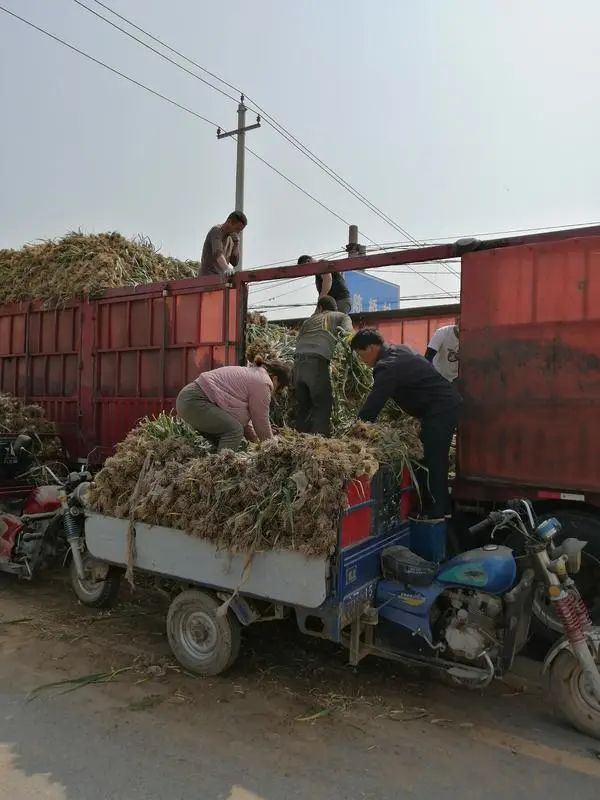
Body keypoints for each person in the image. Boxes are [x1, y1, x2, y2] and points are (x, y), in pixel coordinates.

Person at [350, 329, 461, 518]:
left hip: (440, 410)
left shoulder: (387, 366)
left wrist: (356, 430)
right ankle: (440, 509)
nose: (362, 361)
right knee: (434, 458)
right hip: (442, 406)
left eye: (361, 355)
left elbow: (374, 403)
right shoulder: (400, 350)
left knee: (434, 460)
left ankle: (436, 512)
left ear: (370, 348)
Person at [176, 356, 290, 452]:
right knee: (234, 430)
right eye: (279, 390)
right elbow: (260, 421)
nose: (275, 394)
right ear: (275, 379)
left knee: (228, 430)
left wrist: (256, 442)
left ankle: (213, 465)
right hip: (195, 400)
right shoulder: (263, 383)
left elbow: (245, 424)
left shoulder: (255, 374)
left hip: (189, 399)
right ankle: (220, 469)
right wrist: (272, 447)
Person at [294, 296, 353, 435]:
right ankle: (319, 445)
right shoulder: (341, 316)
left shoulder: (308, 321)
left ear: (320, 307)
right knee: (322, 405)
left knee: (303, 407)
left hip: (297, 365)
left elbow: (298, 340)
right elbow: (349, 334)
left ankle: (300, 441)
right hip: (316, 364)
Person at [200, 211, 248, 276]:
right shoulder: (216, 231)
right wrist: (226, 268)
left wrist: (236, 244)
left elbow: (234, 262)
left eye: (240, 230)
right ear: (229, 222)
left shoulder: (232, 238)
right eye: (237, 229)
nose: (238, 232)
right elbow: (218, 253)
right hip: (207, 278)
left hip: (220, 278)